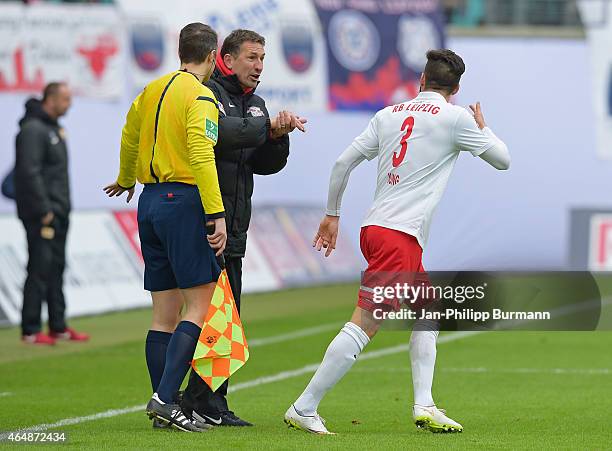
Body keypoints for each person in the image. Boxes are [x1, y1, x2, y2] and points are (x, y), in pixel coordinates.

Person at [284, 49, 510, 434]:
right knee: (366, 324)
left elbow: (342, 163)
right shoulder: (456, 118)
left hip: (375, 230)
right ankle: (304, 407)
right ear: (455, 89)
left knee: (429, 311)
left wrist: (332, 214)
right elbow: (502, 160)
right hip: (399, 237)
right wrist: (482, 127)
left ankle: (425, 405)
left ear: (421, 81)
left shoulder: (387, 115)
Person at [180, 29, 307, 427]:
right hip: (207, 222)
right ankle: (190, 401)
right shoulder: (207, 95)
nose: (259, 67)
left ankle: (209, 403)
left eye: (263, 59)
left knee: (227, 318)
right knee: (213, 317)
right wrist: (266, 128)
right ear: (227, 59)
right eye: (252, 58)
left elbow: (263, 164)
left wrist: (279, 138)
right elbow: (218, 140)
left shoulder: (256, 104)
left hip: (236, 224)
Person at [103, 22, 226, 432]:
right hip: (184, 202)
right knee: (198, 305)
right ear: (212, 57)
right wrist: (216, 212)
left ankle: (165, 406)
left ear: (179, 52)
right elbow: (200, 153)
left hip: (149, 202)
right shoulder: (200, 96)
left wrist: (125, 178)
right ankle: (164, 398)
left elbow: (130, 136)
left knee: (163, 315)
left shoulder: (150, 90)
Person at [15, 82, 89, 345]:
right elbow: (28, 172)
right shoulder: (32, 130)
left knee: (56, 267)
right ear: (51, 99)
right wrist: (43, 209)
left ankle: (58, 325)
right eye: (66, 99)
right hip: (42, 214)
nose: (69, 104)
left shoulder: (55, 129)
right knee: (39, 267)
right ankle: (30, 329)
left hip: (59, 211)